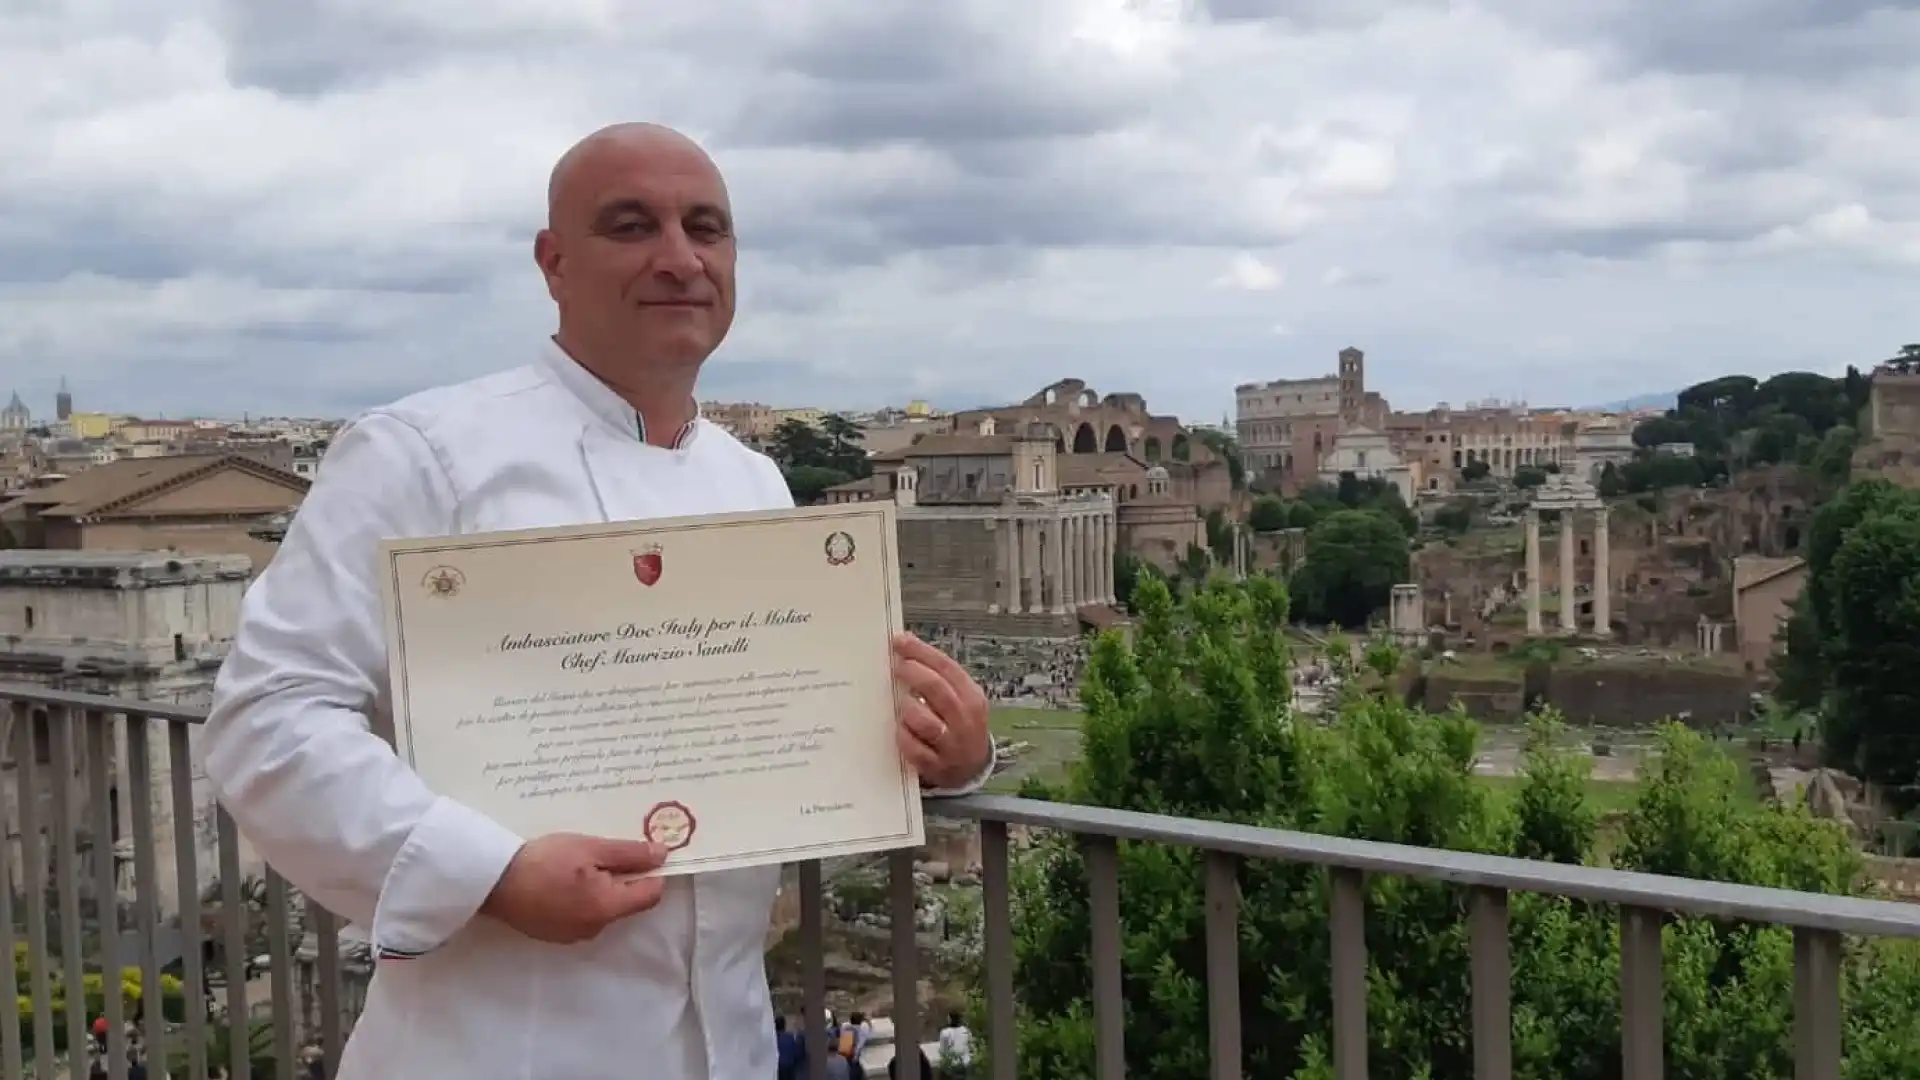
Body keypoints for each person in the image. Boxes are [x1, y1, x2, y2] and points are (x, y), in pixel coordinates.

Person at [200, 123, 996, 1080]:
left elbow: (801, 736)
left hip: (729, 1047)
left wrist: (947, 753)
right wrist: (490, 873)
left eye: (707, 228)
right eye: (631, 227)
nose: (679, 258)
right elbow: (266, 722)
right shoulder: (422, 455)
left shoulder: (756, 486)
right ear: (554, 263)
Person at [936, 1012, 972, 1078]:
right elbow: (970, 1046)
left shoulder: (945, 1032)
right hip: (965, 1064)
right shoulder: (966, 1030)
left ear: (949, 1019)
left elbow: (943, 1051)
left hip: (952, 1065)